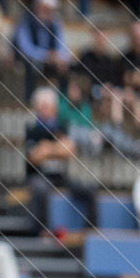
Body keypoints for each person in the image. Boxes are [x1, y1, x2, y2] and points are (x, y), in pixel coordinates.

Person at [25, 86, 97, 234]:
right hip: (38, 176)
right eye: (42, 106)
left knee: (89, 190)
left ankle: (90, 231)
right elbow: (32, 157)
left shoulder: (62, 126)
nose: (45, 110)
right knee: (40, 189)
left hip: (60, 177)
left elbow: (69, 152)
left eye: (48, 106)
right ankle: (43, 231)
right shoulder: (32, 129)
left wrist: (46, 148)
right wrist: (58, 148)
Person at [12, 0, 70, 101]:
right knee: (29, 66)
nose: (48, 13)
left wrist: (60, 57)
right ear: (38, 7)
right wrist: (46, 55)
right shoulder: (25, 20)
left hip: (49, 61)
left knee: (65, 68)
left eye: (51, 10)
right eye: (45, 9)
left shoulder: (56, 22)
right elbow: (25, 48)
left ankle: (62, 103)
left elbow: (62, 45)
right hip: (28, 60)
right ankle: (28, 102)